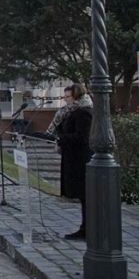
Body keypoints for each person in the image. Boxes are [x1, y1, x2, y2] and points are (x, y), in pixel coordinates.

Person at [48, 84, 93, 240]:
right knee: (82, 197)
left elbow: (82, 137)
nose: (65, 100)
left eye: (67, 97)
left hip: (81, 159)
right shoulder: (69, 112)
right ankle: (85, 227)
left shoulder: (83, 112)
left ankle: (88, 229)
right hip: (72, 157)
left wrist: (61, 139)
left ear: (77, 97)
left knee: (85, 195)